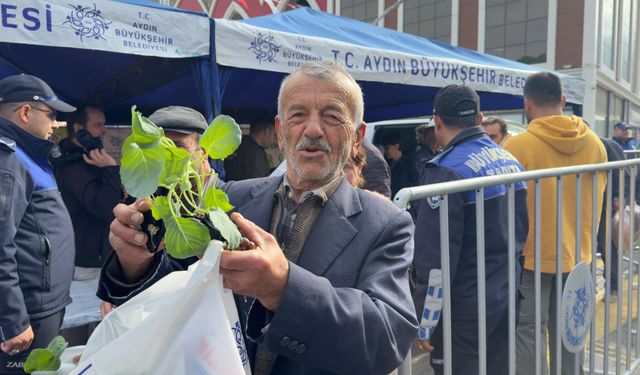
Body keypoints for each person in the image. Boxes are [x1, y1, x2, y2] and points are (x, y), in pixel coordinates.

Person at [99, 61, 418, 374]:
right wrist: (135, 263)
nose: (312, 129)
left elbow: (386, 340)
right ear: (280, 131)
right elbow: (178, 285)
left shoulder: (386, 224)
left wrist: (284, 288)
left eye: (332, 116)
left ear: (357, 136)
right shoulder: (231, 200)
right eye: (298, 115)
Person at [412, 85, 529, 375]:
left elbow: (434, 262)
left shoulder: (446, 172)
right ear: (479, 118)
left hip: (464, 311)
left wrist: (424, 322)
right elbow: (520, 234)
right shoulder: (510, 161)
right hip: (505, 297)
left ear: (437, 122)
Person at [503, 72, 607, 375]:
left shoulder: (517, 148)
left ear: (527, 104)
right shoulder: (596, 145)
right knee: (572, 334)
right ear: (563, 101)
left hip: (531, 256)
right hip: (579, 255)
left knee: (527, 336)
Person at [0, 74, 76, 373]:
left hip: (40, 303)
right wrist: (13, 319)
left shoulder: (28, 155)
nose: (55, 124)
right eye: (52, 115)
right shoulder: (9, 160)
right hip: (29, 310)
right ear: (26, 112)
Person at [55, 106, 122, 278]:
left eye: (104, 125)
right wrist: (110, 168)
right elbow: (106, 207)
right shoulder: (72, 165)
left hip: (96, 255)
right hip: (87, 263)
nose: (104, 131)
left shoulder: (89, 158)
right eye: (98, 125)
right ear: (79, 129)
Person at [381, 131, 420, 198]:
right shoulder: (385, 163)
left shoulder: (409, 164)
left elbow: (417, 185)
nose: (385, 151)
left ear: (397, 146)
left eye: (387, 148)